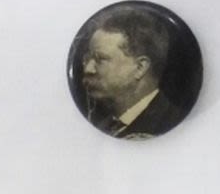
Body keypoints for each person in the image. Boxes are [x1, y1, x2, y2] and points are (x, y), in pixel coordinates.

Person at [78, 7, 184, 138]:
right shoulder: (103, 125)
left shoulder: (172, 124)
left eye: (101, 59)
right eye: (87, 58)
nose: (88, 69)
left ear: (140, 67)